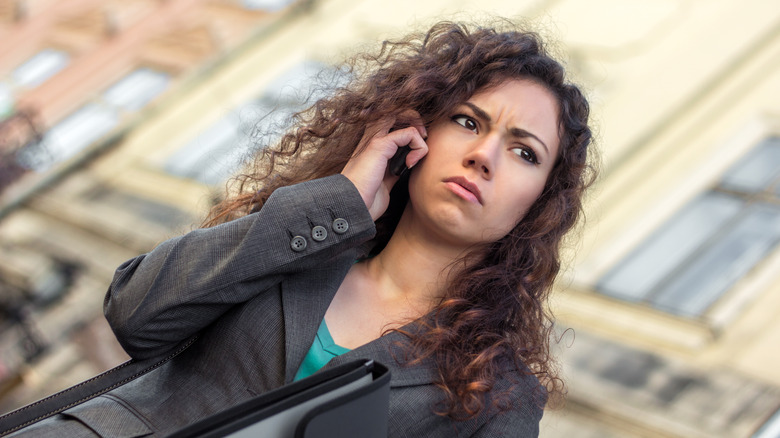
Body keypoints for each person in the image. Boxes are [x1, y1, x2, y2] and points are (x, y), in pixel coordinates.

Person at [9, 19, 594, 437]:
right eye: (467, 121)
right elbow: (136, 313)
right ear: (416, 133)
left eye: (524, 153)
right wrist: (337, 201)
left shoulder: (497, 395)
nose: (484, 154)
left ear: (539, 202)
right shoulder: (301, 237)